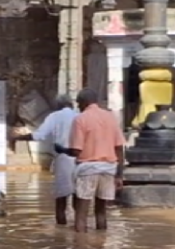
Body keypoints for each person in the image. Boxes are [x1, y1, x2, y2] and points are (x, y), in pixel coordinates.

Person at [12, 94, 78, 225]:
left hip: (63, 159)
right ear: (72, 104)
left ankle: (61, 234)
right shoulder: (79, 116)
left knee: (61, 198)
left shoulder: (54, 116)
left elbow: (39, 135)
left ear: (58, 105)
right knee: (79, 196)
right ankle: (79, 227)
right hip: (81, 159)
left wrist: (19, 138)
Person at [68, 88, 125, 232]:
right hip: (109, 169)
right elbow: (119, 148)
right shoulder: (110, 117)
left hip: (88, 169)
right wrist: (119, 175)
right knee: (101, 212)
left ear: (83, 102)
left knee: (81, 214)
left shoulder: (80, 119)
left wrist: (64, 150)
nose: (78, 107)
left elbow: (76, 150)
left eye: (79, 103)